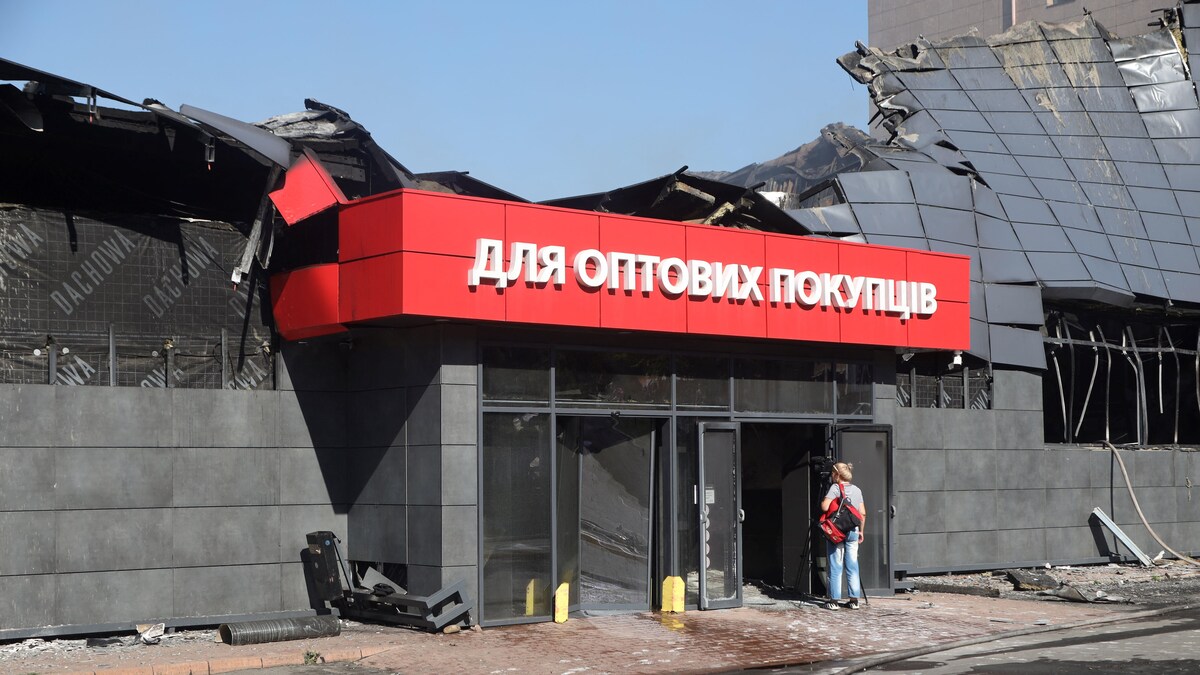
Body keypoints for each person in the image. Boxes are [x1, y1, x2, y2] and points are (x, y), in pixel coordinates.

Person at [821, 461, 866, 610]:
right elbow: (863, 513)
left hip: (837, 532)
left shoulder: (835, 487)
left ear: (836, 474)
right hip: (853, 530)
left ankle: (834, 601)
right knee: (852, 564)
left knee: (836, 564)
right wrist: (861, 531)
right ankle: (854, 600)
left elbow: (825, 507)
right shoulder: (857, 490)